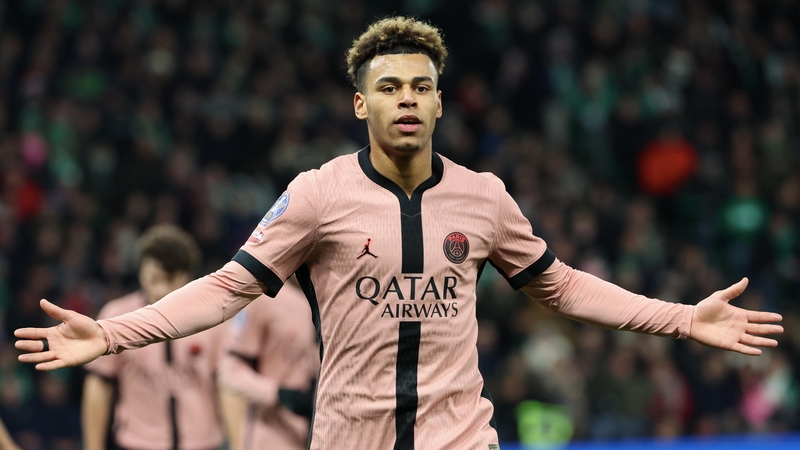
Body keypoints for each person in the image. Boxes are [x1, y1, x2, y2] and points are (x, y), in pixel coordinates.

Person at [15, 17, 783, 450]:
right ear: (361, 105)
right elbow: (225, 289)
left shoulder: (483, 198)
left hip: (462, 440)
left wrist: (683, 319)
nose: (406, 99)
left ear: (441, 102)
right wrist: (113, 336)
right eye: (389, 88)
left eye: (421, 86)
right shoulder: (316, 195)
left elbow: (562, 285)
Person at [80, 225, 229, 450]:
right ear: (141, 272)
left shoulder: (213, 320)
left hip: (203, 443)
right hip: (138, 444)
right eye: (153, 278)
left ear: (187, 276)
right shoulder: (117, 318)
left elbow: (227, 385)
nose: (159, 289)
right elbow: (99, 385)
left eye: (169, 279)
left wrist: (237, 443)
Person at [217, 278, 319, 450]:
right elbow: (229, 370)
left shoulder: (330, 294)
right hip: (273, 434)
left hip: (323, 432)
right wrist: (278, 394)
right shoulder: (264, 296)